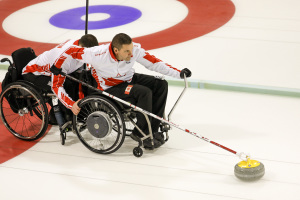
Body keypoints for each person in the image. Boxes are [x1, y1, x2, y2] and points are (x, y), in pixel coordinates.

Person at [52, 33, 192, 148]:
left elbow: (154, 63)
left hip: (128, 78)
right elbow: (70, 51)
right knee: (144, 92)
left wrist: (179, 73)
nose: (131, 54)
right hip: (109, 88)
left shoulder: (134, 51)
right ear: (116, 50)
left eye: (131, 49)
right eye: (127, 51)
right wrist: (56, 66)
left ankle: (153, 129)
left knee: (160, 84)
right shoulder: (97, 54)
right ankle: (141, 133)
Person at [22, 34, 99, 126]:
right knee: (66, 85)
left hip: (57, 69)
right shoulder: (65, 59)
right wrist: (71, 105)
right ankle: (64, 116)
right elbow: (56, 86)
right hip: (34, 73)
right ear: (81, 48)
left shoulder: (81, 45)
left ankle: (78, 111)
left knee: (78, 80)